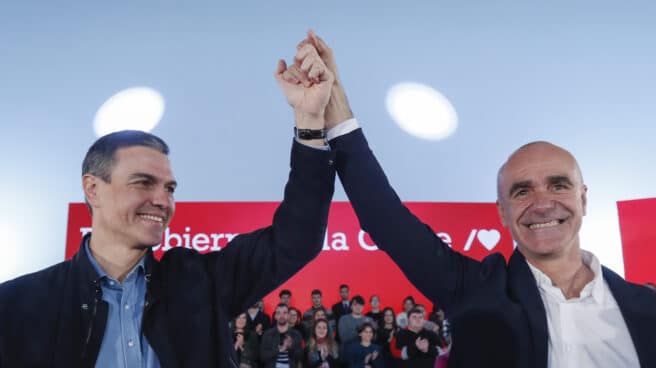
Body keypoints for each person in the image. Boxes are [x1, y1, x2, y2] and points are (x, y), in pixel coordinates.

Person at [279, 30, 656, 367]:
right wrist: (335, 106)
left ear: (584, 199)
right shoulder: (478, 290)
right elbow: (386, 219)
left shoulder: (647, 307)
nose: (542, 202)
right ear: (503, 213)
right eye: (522, 191)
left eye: (558, 185)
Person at [0, 43, 337, 367]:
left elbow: (297, 238)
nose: (162, 200)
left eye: (170, 188)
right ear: (93, 190)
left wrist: (309, 123)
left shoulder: (201, 284)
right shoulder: (18, 305)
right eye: (143, 182)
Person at [260, 304, 305, 368]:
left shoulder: (296, 334)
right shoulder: (267, 334)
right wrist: (279, 350)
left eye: (284, 313)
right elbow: (263, 357)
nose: (282, 316)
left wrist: (290, 347)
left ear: (288, 316)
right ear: (275, 316)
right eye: (278, 313)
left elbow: (300, 356)